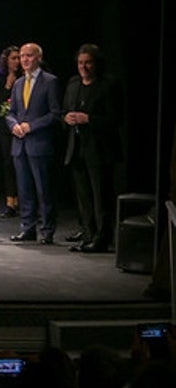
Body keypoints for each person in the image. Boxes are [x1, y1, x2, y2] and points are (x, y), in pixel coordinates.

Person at [63, 44, 120, 253]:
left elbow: (115, 119)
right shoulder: (73, 84)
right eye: (80, 62)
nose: (83, 67)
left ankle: (102, 238)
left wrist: (89, 119)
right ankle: (87, 235)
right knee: (84, 198)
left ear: (96, 64)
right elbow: (65, 110)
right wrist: (66, 118)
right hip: (76, 149)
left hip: (100, 150)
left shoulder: (108, 85)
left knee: (101, 198)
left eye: (87, 62)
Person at [5, 42, 62, 244]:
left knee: (43, 190)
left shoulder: (50, 81)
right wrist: (13, 125)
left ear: (38, 58)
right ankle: (27, 228)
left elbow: (55, 114)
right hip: (19, 145)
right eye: (22, 56)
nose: (25, 59)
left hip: (39, 144)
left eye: (29, 55)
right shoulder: (19, 83)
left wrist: (31, 126)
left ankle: (47, 230)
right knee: (24, 189)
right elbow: (10, 112)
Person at [0, 46, 22, 218]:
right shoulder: (0, 81)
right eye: (13, 58)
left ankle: (26, 200)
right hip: (4, 127)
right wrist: (7, 86)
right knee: (8, 163)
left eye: (19, 58)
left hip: (23, 126)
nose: (17, 61)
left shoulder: (26, 79)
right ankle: (11, 202)